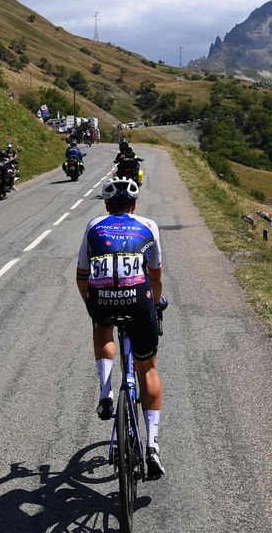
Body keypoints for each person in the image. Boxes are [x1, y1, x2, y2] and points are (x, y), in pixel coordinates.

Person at [76, 177, 166, 480]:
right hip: (139, 299)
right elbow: (155, 276)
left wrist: (93, 303)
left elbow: (81, 276)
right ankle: (151, 445)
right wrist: (155, 304)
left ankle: (106, 392)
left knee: (101, 327)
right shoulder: (149, 225)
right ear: (135, 205)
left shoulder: (93, 225)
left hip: (102, 298)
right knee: (148, 368)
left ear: (106, 206)